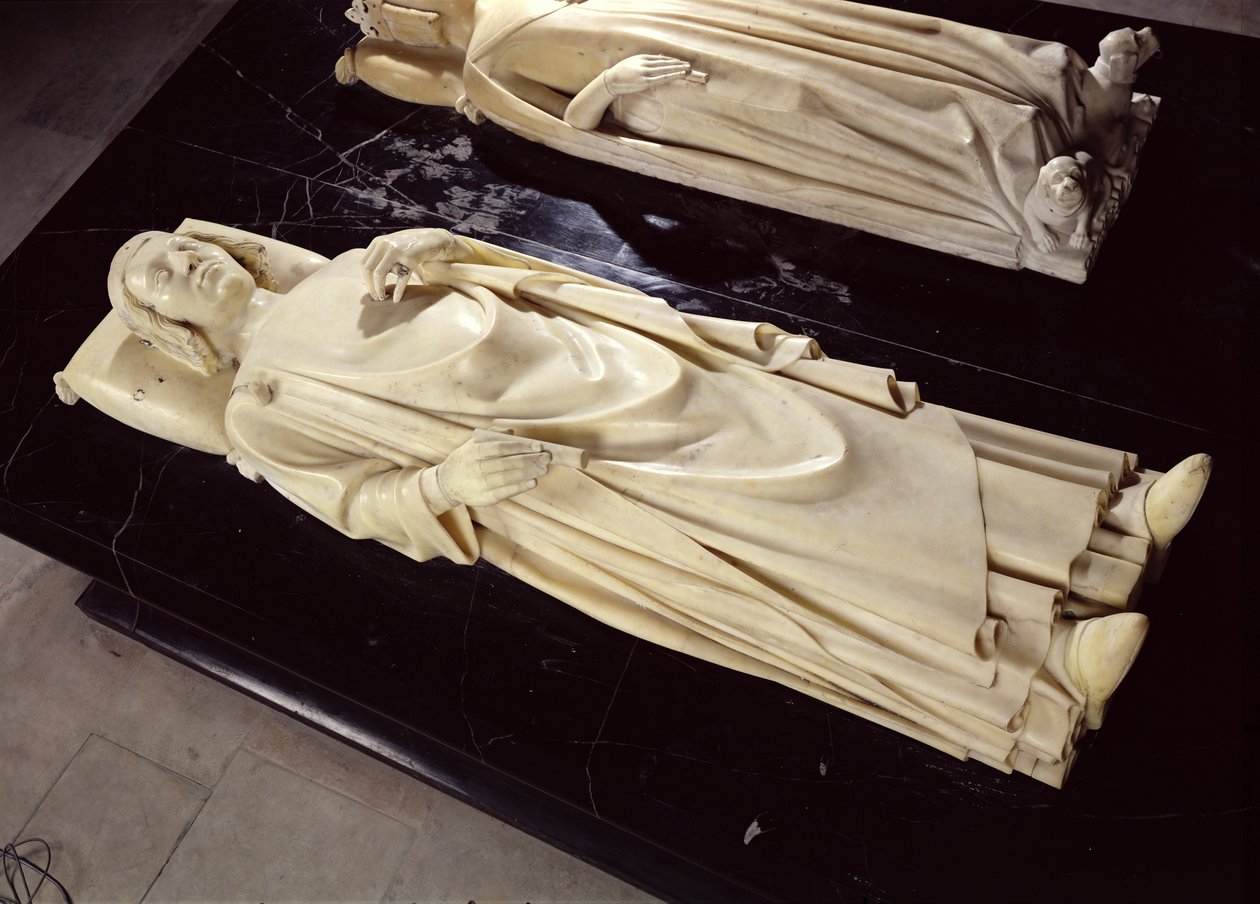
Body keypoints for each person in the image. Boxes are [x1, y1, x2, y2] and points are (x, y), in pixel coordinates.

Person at [99, 225, 1210, 786]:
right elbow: (361, 504)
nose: (186, 264)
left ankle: (1107, 525)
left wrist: (448, 249)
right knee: (800, 542)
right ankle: (1052, 658)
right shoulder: (260, 410)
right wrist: (447, 486)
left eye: (182, 247)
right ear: (168, 328)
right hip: (566, 466)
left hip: (615, 369)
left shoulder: (349, 261)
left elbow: (507, 282)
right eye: (161, 276)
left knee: (841, 438)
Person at [334, 0, 1158, 279]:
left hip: (719, 22)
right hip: (681, 93)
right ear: (412, 21)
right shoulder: (484, 67)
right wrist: (615, 85)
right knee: (849, 109)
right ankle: (1028, 189)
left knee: (887, 49)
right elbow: (572, 133)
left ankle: (1079, 100)